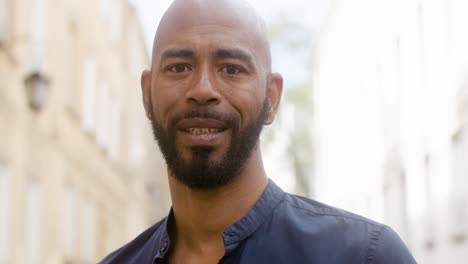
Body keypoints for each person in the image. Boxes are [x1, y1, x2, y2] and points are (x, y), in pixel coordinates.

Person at [100, 0, 417, 263]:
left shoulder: (365, 256)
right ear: (147, 94)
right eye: (179, 67)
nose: (203, 89)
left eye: (232, 68)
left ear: (272, 98)